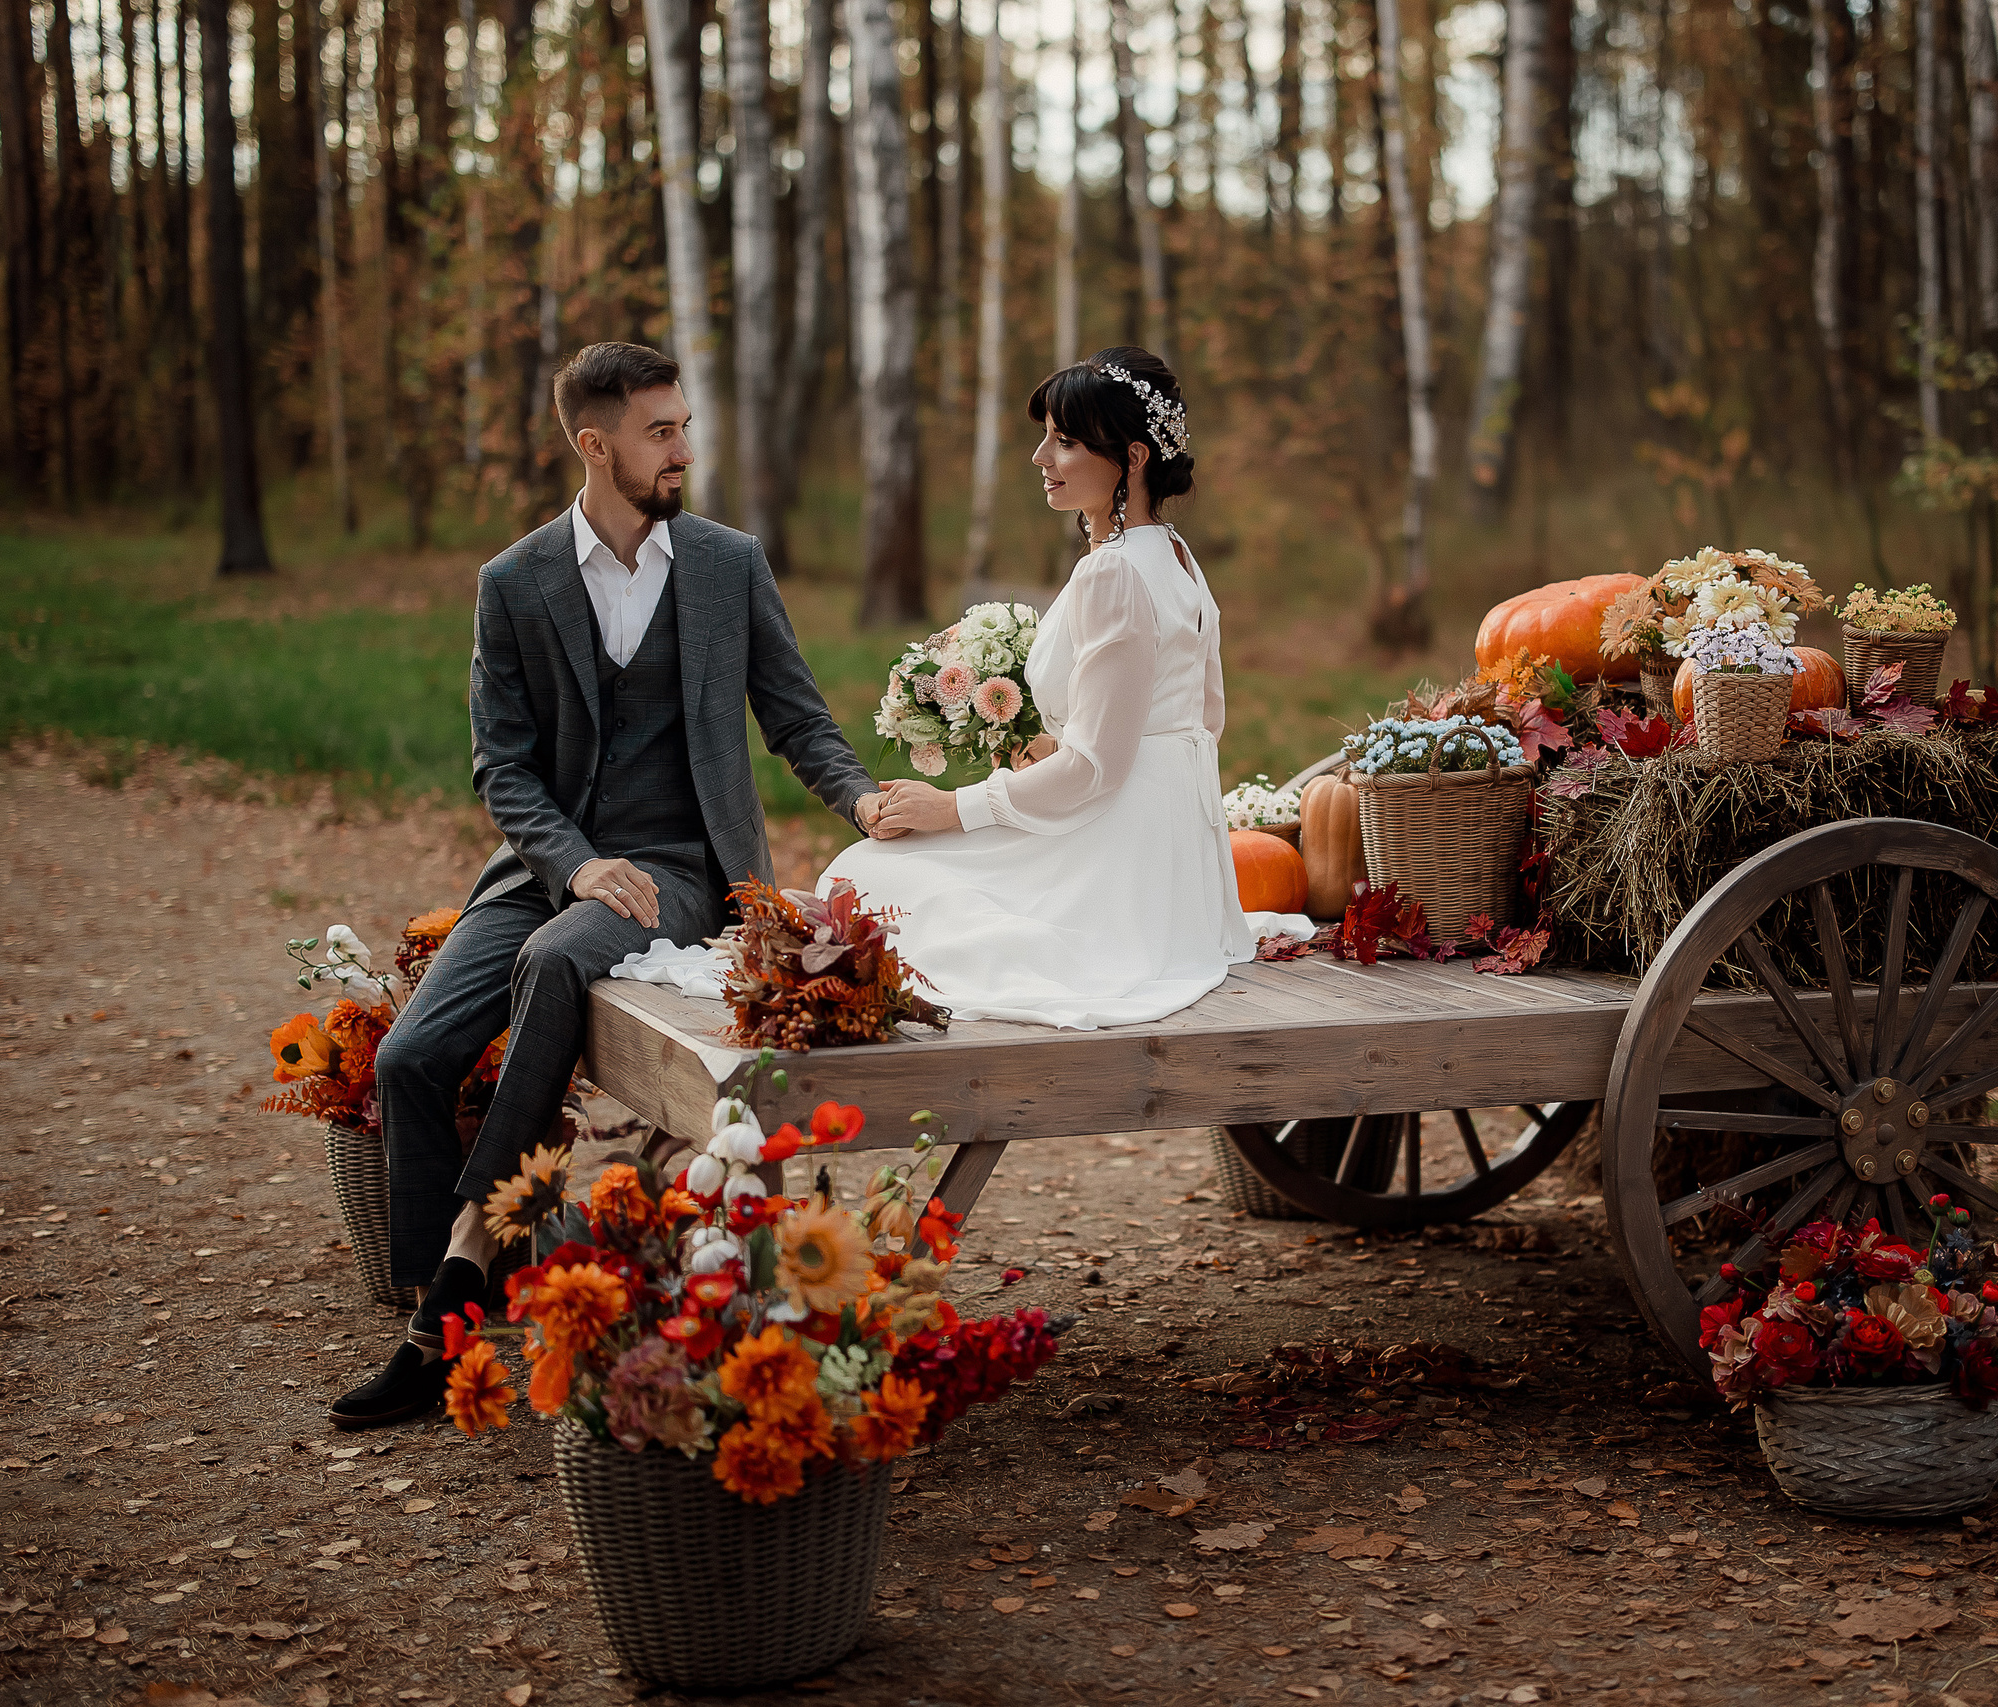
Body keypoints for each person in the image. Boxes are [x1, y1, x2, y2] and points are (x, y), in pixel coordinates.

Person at [330, 341, 878, 1430]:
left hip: (683, 868)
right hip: (550, 863)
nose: (682, 448)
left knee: (555, 960)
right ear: (596, 445)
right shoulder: (516, 582)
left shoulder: (727, 564)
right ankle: (483, 1284)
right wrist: (574, 862)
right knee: (410, 1055)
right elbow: (504, 765)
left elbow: (795, 715)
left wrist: (862, 801)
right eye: (659, 431)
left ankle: (450, 1307)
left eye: (682, 425)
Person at [818, 347, 1308, 1029]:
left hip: (1115, 855)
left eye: (1066, 440)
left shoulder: (1114, 574)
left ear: (1133, 457)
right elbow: (1198, 718)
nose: (1040, 455)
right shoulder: (1176, 556)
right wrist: (1054, 744)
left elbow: (1097, 769)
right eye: (1046, 435)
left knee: (859, 878)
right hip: (1177, 856)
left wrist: (954, 807)